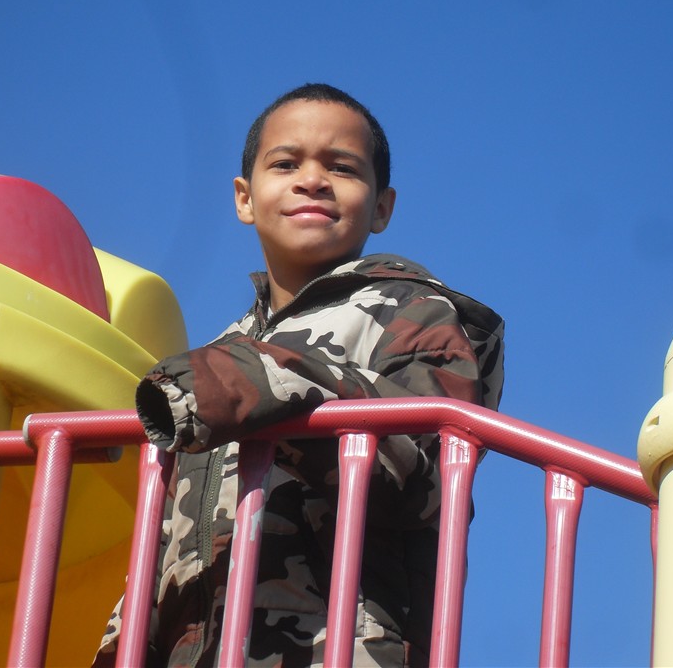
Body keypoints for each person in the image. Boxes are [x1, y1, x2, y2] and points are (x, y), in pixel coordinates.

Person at [94, 83, 504, 667]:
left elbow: (425, 467)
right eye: (285, 164)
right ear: (244, 198)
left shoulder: (411, 312)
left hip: (340, 647)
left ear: (382, 207)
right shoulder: (218, 354)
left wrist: (262, 381)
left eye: (342, 168)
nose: (313, 180)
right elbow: (160, 542)